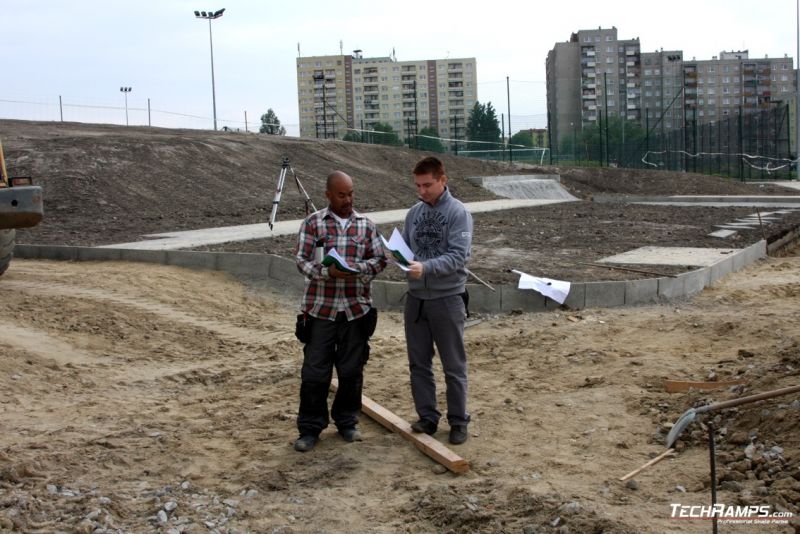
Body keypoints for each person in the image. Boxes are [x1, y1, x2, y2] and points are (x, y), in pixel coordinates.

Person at [293, 171, 386, 452]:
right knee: (315, 372)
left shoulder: (365, 226)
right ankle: (310, 428)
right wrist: (325, 272)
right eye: (342, 195)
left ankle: (347, 422)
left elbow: (380, 259)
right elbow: (301, 259)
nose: (348, 200)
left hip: (356, 311)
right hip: (321, 310)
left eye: (351, 194)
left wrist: (357, 269)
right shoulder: (313, 224)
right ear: (328, 195)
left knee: (351, 370)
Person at [402, 156, 473, 445]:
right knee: (418, 363)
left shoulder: (458, 213)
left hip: (447, 298)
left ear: (443, 180)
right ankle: (428, 417)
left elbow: (459, 256)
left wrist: (426, 268)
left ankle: (458, 421)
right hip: (416, 298)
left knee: (453, 365)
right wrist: (395, 256)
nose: (422, 191)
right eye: (418, 186)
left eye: (427, 185)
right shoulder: (414, 213)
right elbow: (406, 247)